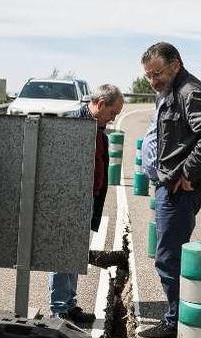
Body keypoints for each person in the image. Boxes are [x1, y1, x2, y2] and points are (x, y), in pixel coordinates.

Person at [136, 41, 201, 338]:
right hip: (169, 183)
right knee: (171, 253)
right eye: (149, 76)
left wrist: (189, 172)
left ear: (176, 64)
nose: (154, 81)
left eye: (158, 73)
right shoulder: (169, 92)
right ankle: (182, 316)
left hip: (178, 187)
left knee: (169, 256)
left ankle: (177, 320)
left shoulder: (189, 92)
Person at [47, 84, 124, 324]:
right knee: (63, 253)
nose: (114, 118)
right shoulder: (71, 126)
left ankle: (69, 304)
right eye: (113, 112)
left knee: (76, 254)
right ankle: (59, 308)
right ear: (100, 104)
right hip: (69, 200)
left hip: (88, 199)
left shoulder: (98, 128)